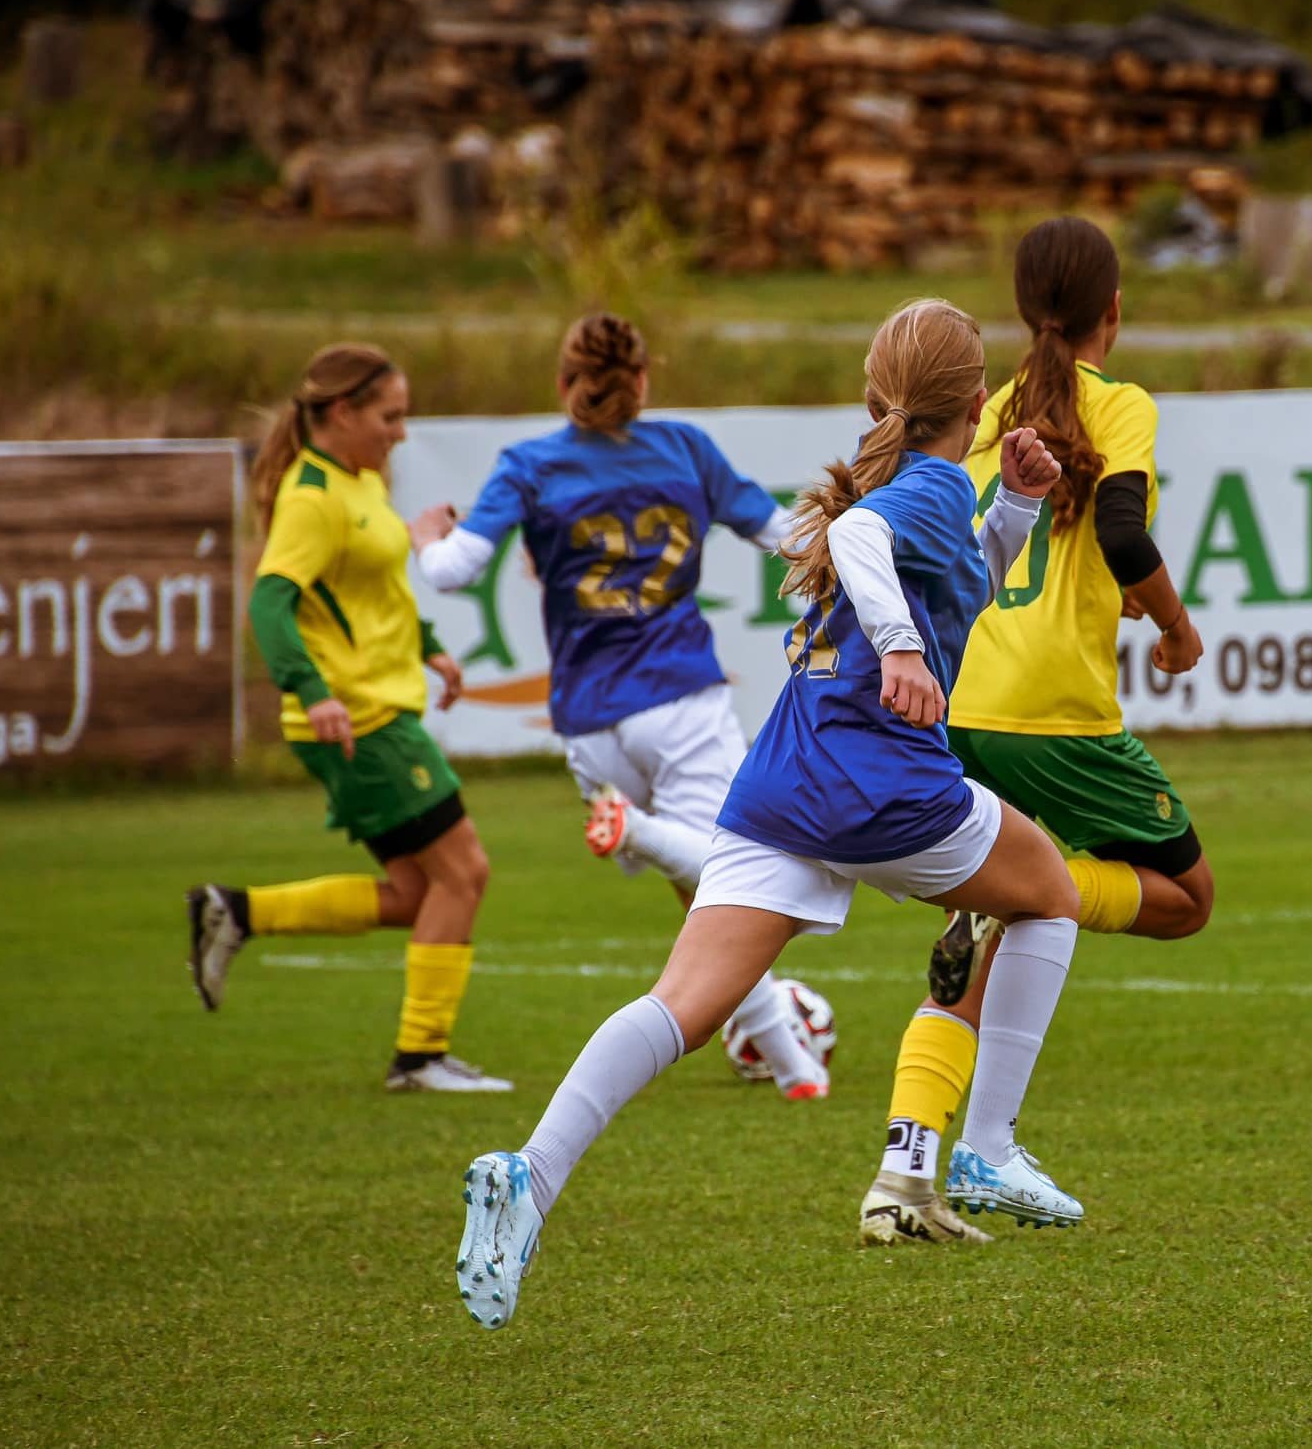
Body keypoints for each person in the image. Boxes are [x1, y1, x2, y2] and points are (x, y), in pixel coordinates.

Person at [455, 298, 1080, 1331]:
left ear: (878, 400)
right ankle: (986, 1145)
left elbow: (955, 587)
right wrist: (901, 651)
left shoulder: (913, 484)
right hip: (875, 779)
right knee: (1048, 894)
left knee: (684, 1005)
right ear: (979, 399)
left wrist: (1013, 504)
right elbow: (862, 538)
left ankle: (528, 1175)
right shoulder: (915, 490)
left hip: (784, 777)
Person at [857, 217, 1212, 1246]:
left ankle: (901, 1176)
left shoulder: (980, 409)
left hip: (957, 701)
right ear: (1114, 310)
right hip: (1051, 713)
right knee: (1185, 899)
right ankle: (1032, 905)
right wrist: (1175, 626)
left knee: (992, 918)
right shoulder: (1119, 403)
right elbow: (1123, 530)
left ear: (1021, 309)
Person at [408, 312, 830, 1100]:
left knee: (698, 889)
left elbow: (452, 571)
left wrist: (427, 535)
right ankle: (644, 840)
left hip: (589, 719)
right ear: (642, 379)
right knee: (734, 875)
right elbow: (788, 537)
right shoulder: (686, 450)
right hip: (680, 696)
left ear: (564, 382)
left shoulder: (529, 464)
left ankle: (790, 1062)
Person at [186, 343, 509, 1094]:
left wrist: (428, 647)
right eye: (389, 417)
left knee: (418, 895)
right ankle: (420, 1058)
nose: (401, 432)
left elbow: (369, 592)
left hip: (380, 709)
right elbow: (271, 603)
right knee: (465, 872)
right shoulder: (311, 498)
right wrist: (311, 690)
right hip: (359, 720)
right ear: (341, 412)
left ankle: (235, 912)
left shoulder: (357, 480)